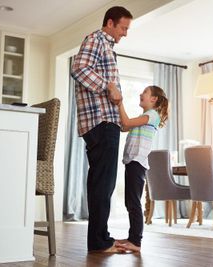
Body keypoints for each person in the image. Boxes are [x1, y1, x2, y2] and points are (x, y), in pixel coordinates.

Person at [70, 6, 132, 253]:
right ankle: (99, 241)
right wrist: (109, 86)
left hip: (104, 121)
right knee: (102, 184)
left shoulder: (106, 46)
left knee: (102, 184)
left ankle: (101, 237)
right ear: (110, 23)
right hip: (101, 122)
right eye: (123, 28)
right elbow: (78, 69)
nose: (125, 33)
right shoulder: (96, 39)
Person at [110, 85, 168, 253]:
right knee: (130, 202)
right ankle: (132, 237)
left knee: (134, 202)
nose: (140, 94)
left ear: (153, 99)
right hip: (132, 161)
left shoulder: (152, 115)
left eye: (145, 92)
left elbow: (126, 123)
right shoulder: (144, 116)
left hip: (137, 162)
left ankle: (136, 241)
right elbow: (124, 127)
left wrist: (120, 103)